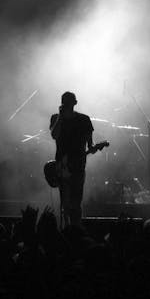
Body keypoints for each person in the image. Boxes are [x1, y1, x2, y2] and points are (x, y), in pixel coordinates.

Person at [50, 92, 94, 227]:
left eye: (69, 102)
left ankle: (75, 229)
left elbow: (90, 144)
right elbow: (54, 135)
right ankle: (66, 228)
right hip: (62, 165)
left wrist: (92, 148)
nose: (67, 105)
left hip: (78, 165)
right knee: (65, 201)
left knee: (76, 201)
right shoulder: (56, 118)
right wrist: (61, 119)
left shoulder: (84, 120)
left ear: (75, 103)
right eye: (65, 103)